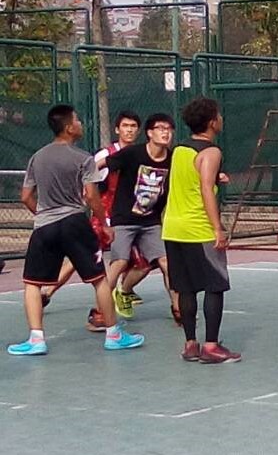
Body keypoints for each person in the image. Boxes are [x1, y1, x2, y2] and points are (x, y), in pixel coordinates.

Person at [7, 104, 145, 355]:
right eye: (78, 120)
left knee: (33, 283)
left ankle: (36, 339)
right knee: (99, 279)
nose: (81, 123)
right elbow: (92, 196)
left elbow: (26, 196)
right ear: (69, 127)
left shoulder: (37, 157)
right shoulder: (83, 158)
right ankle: (113, 335)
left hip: (45, 226)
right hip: (74, 222)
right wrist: (105, 224)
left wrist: (43, 215)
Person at [41, 110, 151, 329]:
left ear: (138, 131)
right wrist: (96, 211)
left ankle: (123, 291)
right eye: (125, 126)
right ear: (117, 129)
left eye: (133, 126)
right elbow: (89, 185)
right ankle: (53, 294)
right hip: (106, 216)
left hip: (132, 216)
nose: (129, 130)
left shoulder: (142, 154)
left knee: (145, 262)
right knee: (83, 257)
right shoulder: (105, 156)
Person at [162, 97, 239, 364]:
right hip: (198, 228)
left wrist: (216, 177)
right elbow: (205, 188)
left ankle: (190, 344)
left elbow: (187, 180)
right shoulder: (212, 152)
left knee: (185, 288)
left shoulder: (179, 150)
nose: (221, 119)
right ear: (212, 122)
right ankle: (211, 346)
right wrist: (218, 228)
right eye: (219, 115)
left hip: (173, 227)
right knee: (215, 285)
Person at [96, 113, 179, 322]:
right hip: (124, 219)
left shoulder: (173, 158)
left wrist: (217, 176)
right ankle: (99, 312)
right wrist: (84, 183)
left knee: (166, 263)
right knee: (119, 262)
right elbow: (99, 165)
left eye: (169, 129)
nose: (165, 133)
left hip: (151, 221)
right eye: (160, 128)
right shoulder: (132, 153)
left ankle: (179, 310)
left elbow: (194, 171)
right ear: (150, 133)